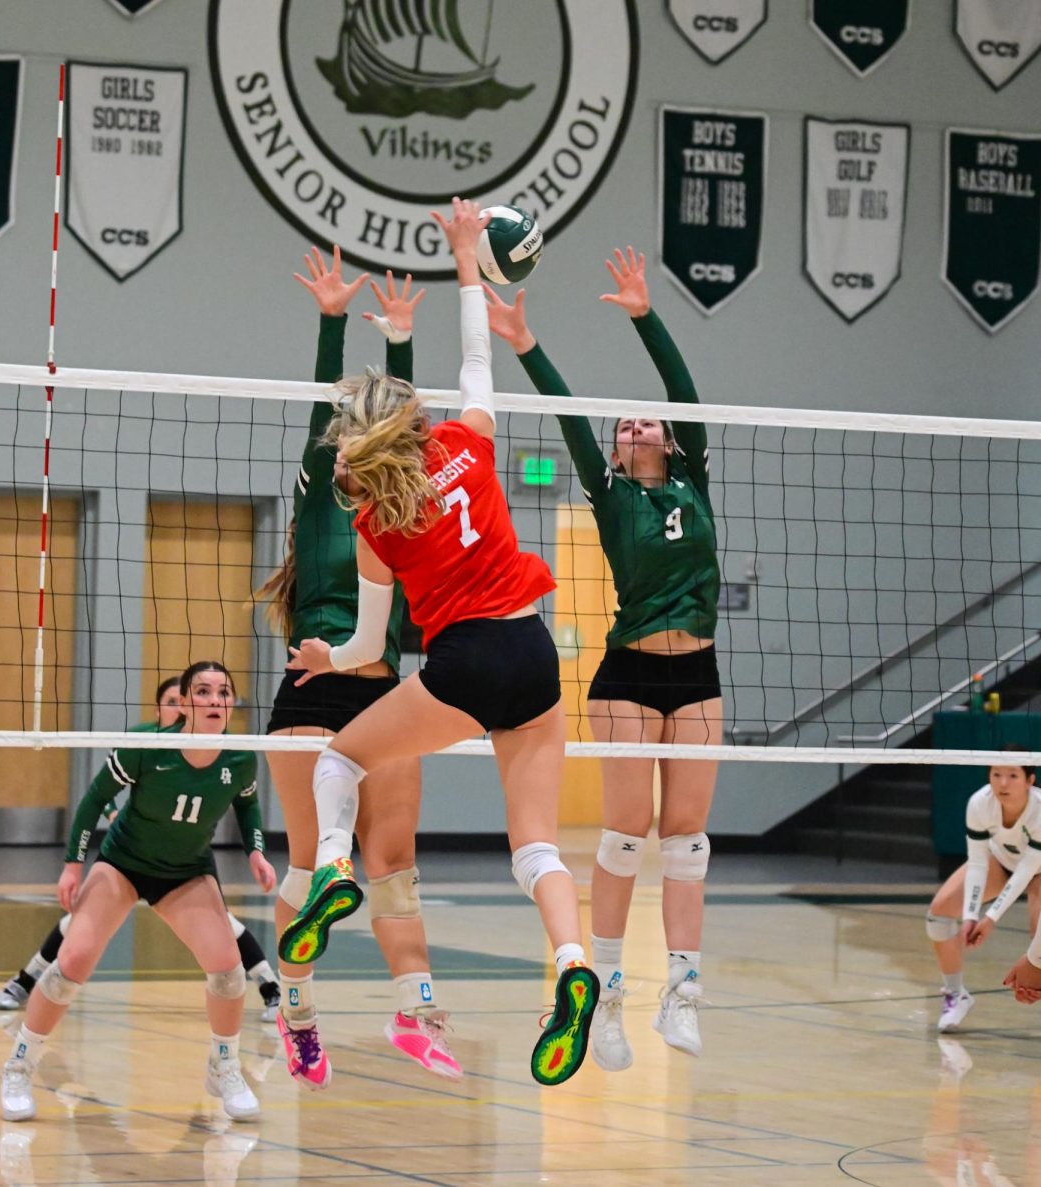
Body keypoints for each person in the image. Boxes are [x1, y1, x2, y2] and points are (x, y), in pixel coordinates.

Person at [280, 199, 600, 1088]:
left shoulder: (377, 523)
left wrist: (323, 661)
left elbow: (368, 644)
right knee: (537, 846)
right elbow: (474, 361)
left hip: (461, 664)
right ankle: (574, 964)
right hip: (533, 653)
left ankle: (336, 871)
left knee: (340, 764)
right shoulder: (467, 444)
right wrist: (467, 262)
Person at [483, 246, 720, 1066]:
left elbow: (684, 392)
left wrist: (644, 313)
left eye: (643, 419)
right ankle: (609, 998)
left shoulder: (694, 480)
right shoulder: (610, 490)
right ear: (617, 453)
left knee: (688, 840)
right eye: (625, 425)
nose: (635, 425)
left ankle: (682, 994)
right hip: (626, 675)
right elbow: (567, 416)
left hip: (698, 672)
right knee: (627, 833)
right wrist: (523, 342)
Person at [256, 244, 460, 1087]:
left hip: (385, 690)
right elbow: (325, 406)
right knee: (311, 868)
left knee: (394, 862)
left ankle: (416, 1011)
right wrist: (333, 320)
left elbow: (408, 435)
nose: (346, 447)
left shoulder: (401, 502)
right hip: (314, 685)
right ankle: (295, 1016)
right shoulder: (317, 485)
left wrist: (406, 339)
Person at [0, 661, 272, 1123]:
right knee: (73, 962)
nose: (213, 701)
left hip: (186, 871)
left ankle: (223, 1064)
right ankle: (19, 1065)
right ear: (183, 703)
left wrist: (257, 852)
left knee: (227, 970)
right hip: (122, 864)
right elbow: (92, 800)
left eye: (222, 692)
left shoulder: (241, 756)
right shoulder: (148, 744)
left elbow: (246, 805)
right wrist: (72, 866)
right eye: (202, 692)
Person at [925, 748, 1040, 1027]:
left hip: (1037, 871)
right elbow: (977, 863)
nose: (1003, 783)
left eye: (1012, 775)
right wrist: (971, 915)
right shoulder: (979, 803)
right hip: (1000, 862)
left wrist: (990, 919)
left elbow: (1026, 871)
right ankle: (955, 994)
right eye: (996, 774)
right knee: (938, 914)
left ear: (1030, 780)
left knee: (1039, 941)